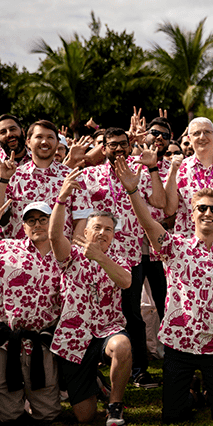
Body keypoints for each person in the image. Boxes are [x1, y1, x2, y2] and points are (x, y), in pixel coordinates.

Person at [115, 159, 213, 423]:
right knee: (174, 416)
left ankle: (207, 390)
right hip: (179, 345)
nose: (208, 213)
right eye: (202, 208)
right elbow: (147, 224)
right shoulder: (175, 247)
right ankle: (192, 394)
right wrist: (133, 191)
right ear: (193, 213)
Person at [70, 125, 166, 390]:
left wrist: (153, 168)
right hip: (96, 259)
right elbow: (77, 213)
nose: (120, 148)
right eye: (113, 144)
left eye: (123, 143)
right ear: (104, 148)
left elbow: (159, 202)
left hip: (131, 258)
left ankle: (138, 370)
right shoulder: (89, 176)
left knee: (131, 314)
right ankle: (91, 367)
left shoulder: (140, 173)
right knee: (91, 312)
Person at [0, 203, 63, 424]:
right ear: (24, 225)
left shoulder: (64, 253)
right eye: (31, 220)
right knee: (6, 418)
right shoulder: (6, 249)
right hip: (5, 342)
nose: (37, 224)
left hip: (41, 342)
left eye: (43, 219)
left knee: (48, 415)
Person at [49, 174, 133, 426]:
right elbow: (54, 236)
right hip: (74, 334)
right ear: (85, 232)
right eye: (97, 228)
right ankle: (96, 383)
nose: (103, 233)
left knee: (122, 346)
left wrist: (100, 257)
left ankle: (115, 406)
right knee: (85, 418)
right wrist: (62, 199)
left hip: (108, 329)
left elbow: (126, 282)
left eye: (109, 229)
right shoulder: (71, 255)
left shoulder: (119, 256)